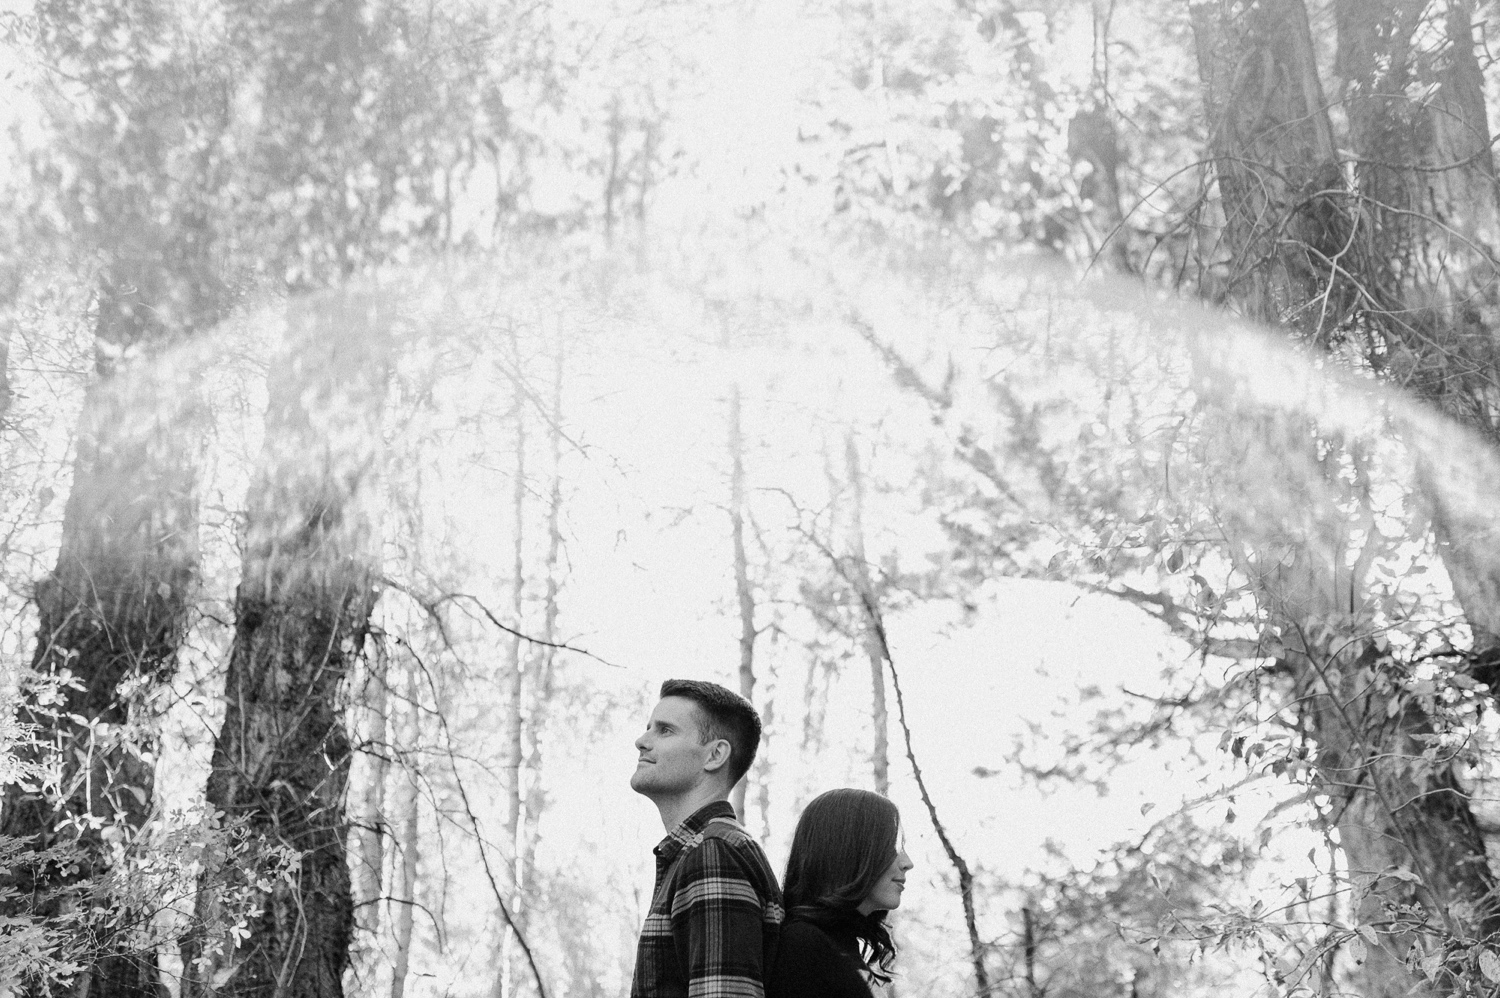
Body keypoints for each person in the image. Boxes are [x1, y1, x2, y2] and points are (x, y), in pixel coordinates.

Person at [629, 678, 784, 998]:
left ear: (715, 755)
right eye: (648, 727)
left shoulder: (714, 854)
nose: (641, 741)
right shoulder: (700, 851)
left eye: (665, 730)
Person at [768, 788, 914, 998]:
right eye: (892, 846)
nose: (908, 863)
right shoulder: (802, 946)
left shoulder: (840, 947)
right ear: (851, 850)